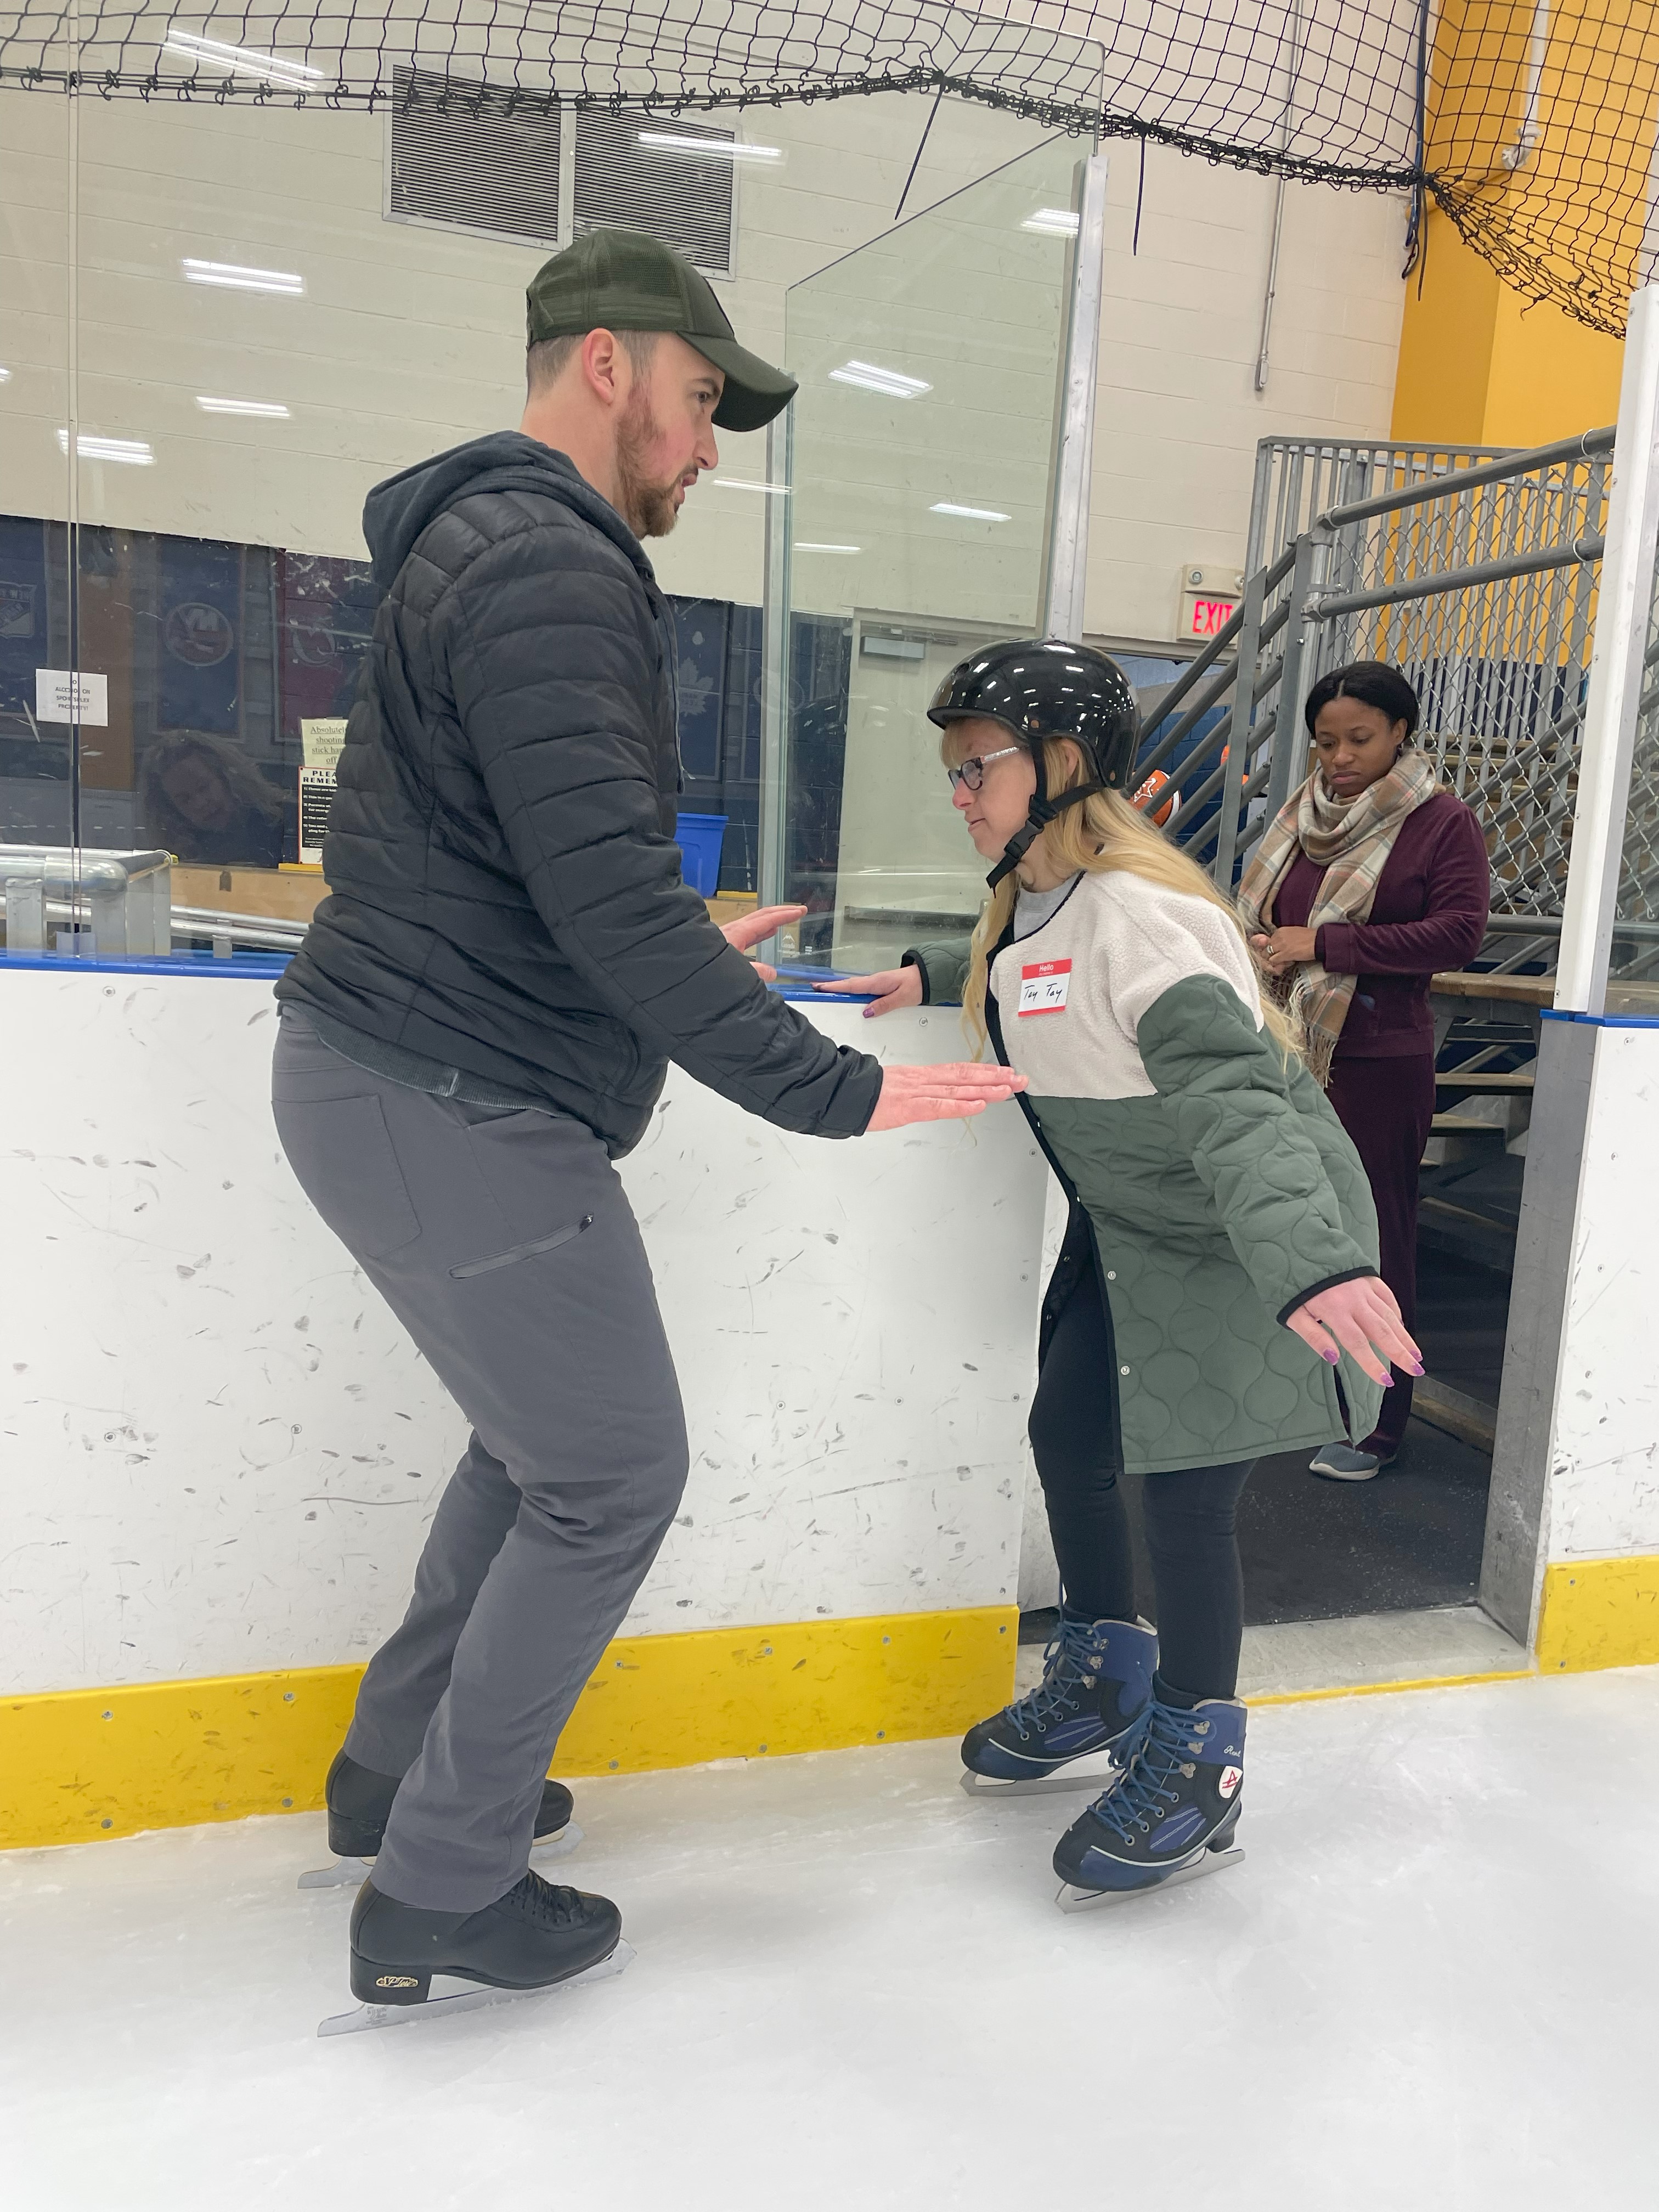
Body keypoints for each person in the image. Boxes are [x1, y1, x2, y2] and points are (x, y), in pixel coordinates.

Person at [270, 228, 1023, 2018]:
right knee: (611, 1472)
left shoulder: (500, 546)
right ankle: (444, 1885)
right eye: (696, 408)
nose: (704, 453)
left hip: (407, 1078)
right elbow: (602, 898)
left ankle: (395, 1780)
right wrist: (832, 1087)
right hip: (445, 1090)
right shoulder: (544, 554)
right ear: (604, 365)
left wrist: (679, 934)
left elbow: (540, 864)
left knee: (538, 1452)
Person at [817, 639, 1419, 1903]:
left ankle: (1201, 1760)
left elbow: (1236, 1098)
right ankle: (1106, 1673)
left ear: (1061, 766)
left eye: (975, 766)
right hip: (1128, 1223)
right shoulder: (1033, 901)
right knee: (1068, 1435)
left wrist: (1311, 1266)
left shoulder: (1154, 914)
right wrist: (934, 970)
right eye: (956, 770)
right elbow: (1041, 969)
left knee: (1183, 1500)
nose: (959, 790)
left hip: (1230, 1229)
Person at [1237, 660, 1489, 1481]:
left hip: (1377, 1062)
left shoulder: (1438, 820)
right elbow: (1261, 914)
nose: (1339, 758)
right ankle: (1298, 1395)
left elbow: (1457, 936)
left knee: (1375, 1240)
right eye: (1324, 743)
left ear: (1400, 733)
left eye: (1359, 739)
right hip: (1289, 1051)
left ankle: (1377, 1421)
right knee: (1290, 1227)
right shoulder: (1300, 816)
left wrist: (1323, 943)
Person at [138, 731, 286, 868]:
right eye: (185, 800)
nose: (200, 803)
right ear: (171, 809)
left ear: (229, 777)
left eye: (204, 787)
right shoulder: (174, 857)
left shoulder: (285, 825)